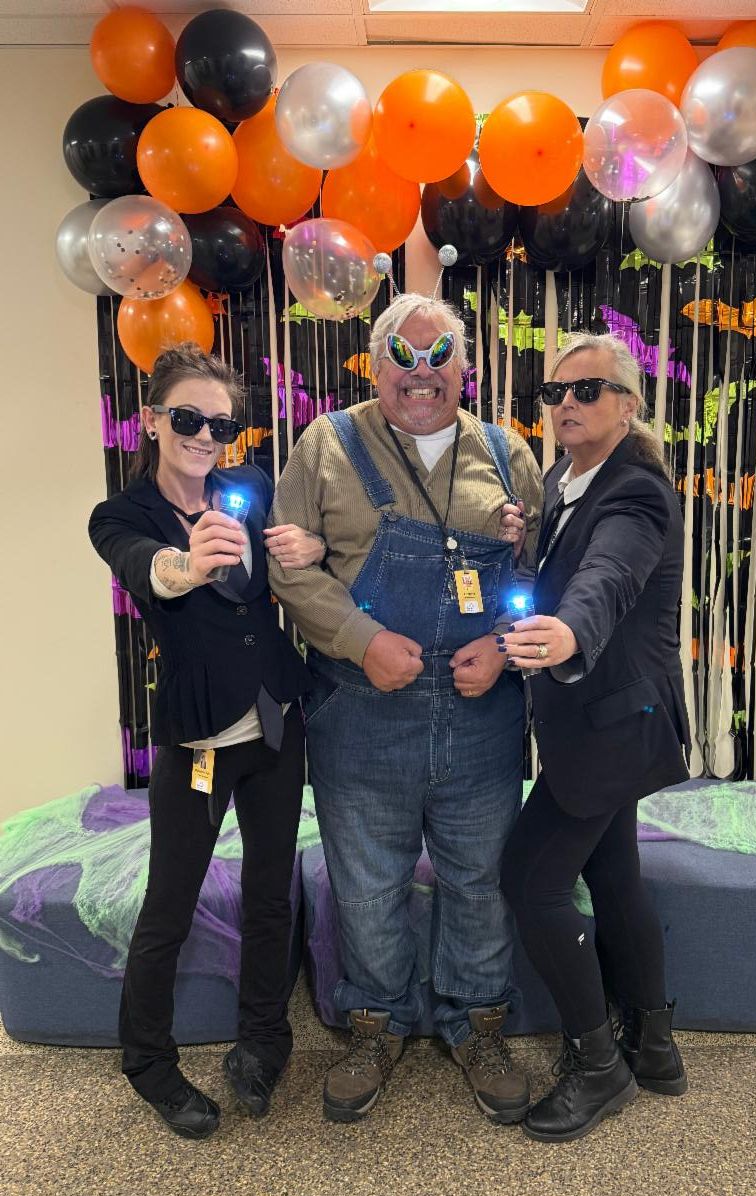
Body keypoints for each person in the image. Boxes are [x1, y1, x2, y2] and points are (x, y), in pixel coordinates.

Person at [269, 293, 544, 1125]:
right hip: (359, 712)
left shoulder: (508, 452)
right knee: (365, 886)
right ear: (374, 362)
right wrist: (360, 639)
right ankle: (376, 1025)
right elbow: (287, 566)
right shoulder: (324, 444)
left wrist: (503, 645)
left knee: (480, 882)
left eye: (439, 355)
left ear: (467, 367)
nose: (421, 373)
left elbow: (544, 573)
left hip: (481, 713)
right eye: (403, 355)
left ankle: (477, 1025)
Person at [88, 344, 324, 1139]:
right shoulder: (120, 515)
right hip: (198, 742)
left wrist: (308, 550)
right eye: (188, 418)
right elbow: (144, 567)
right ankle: (148, 1062)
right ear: (153, 421)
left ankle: (265, 1039)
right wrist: (183, 566)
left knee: (270, 893)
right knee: (171, 903)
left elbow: (290, 562)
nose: (204, 436)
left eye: (221, 425)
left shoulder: (248, 487)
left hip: (276, 721)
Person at [498, 332, 691, 1143]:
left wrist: (571, 632)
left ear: (628, 404)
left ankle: (599, 1063)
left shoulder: (637, 490)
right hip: (604, 722)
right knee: (613, 874)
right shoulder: (561, 480)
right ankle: (655, 1048)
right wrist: (524, 546)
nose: (567, 404)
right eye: (555, 393)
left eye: (587, 390)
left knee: (529, 879)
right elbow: (564, 566)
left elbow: (607, 575)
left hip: (613, 728)